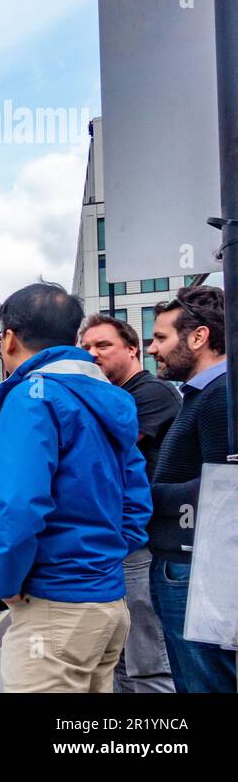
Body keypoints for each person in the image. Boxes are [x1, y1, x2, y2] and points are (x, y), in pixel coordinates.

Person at [0, 282, 150, 693]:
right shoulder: (109, 400)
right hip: (107, 604)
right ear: (73, 338)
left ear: (8, 338)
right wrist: (97, 561)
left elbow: (18, 506)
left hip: (54, 610)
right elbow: (136, 505)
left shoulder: (31, 397)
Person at [79, 313, 179, 693]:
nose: (92, 354)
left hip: (146, 545)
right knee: (121, 660)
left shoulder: (150, 393)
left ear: (132, 349)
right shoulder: (114, 397)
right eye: (86, 348)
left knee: (147, 661)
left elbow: (101, 451)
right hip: (125, 543)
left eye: (103, 345)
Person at [145, 285, 237, 693]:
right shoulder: (204, 395)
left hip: (197, 570)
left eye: (161, 337)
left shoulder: (220, 395)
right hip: (190, 565)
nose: (152, 349)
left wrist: (145, 498)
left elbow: (225, 490)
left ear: (198, 337)